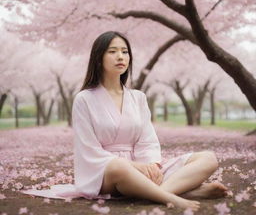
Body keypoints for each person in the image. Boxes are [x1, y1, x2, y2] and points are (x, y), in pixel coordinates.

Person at [21, 31, 228, 211]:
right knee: (119, 168)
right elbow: (88, 149)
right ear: (98, 57)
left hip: (142, 165)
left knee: (208, 158)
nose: (120, 56)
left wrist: (150, 166)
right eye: (112, 51)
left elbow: (147, 140)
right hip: (106, 171)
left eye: (125, 51)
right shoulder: (84, 99)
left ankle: (157, 192)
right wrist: (133, 167)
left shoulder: (138, 97)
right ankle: (172, 196)